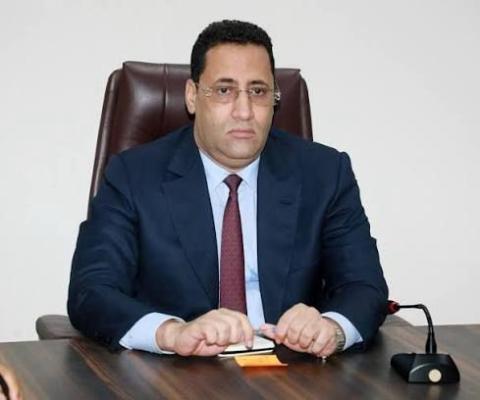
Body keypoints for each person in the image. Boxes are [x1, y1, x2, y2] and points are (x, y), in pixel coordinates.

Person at [68, 20, 388, 358]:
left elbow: (364, 286)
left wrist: (332, 328)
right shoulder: (133, 176)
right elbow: (92, 291)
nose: (244, 111)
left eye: (258, 91)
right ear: (192, 96)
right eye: (224, 90)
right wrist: (171, 333)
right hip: (177, 372)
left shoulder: (325, 174)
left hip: (292, 370)